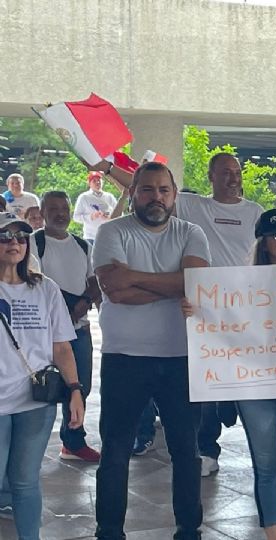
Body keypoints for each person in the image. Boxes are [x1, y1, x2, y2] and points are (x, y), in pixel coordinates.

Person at [182, 209, 276, 540]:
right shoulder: (240, 284)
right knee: (266, 469)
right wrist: (195, 309)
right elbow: (219, 315)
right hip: (256, 387)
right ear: (264, 243)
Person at [92, 161, 211, 540]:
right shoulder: (111, 231)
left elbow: (196, 285)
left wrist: (135, 278)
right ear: (133, 193)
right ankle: (109, 530)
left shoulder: (192, 232)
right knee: (114, 451)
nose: (155, 197)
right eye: (147, 189)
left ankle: (188, 529)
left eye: (163, 190)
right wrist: (174, 284)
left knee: (186, 451)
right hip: (124, 358)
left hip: (181, 358)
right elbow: (115, 291)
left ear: (174, 196)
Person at [0, 211, 85, 540]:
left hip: (35, 400)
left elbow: (61, 347)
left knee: (25, 480)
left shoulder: (45, 288)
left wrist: (75, 390)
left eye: (20, 237)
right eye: (5, 236)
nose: (14, 243)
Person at [30, 191, 103, 463]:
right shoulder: (33, 243)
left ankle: (73, 441)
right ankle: (31, 446)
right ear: (42, 211)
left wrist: (84, 301)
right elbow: (32, 280)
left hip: (79, 330)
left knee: (78, 386)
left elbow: (94, 280)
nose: (60, 213)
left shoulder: (83, 246)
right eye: (53, 208)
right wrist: (63, 310)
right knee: (42, 390)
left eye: (64, 208)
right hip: (43, 334)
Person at [73, 171, 118, 245]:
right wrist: (91, 217)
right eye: (94, 181)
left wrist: (110, 217)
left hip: (108, 236)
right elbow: (76, 217)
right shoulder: (84, 197)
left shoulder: (109, 196)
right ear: (89, 183)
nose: (97, 183)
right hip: (91, 237)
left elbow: (120, 214)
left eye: (99, 180)